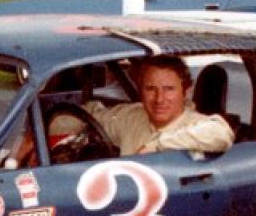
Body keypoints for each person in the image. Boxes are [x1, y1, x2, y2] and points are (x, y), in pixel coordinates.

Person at [84, 56, 234, 155]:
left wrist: (157, 145)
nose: (159, 99)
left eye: (169, 89)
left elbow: (222, 134)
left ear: (186, 92)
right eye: (150, 89)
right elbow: (90, 115)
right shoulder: (131, 116)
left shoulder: (197, 124)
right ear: (140, 90)